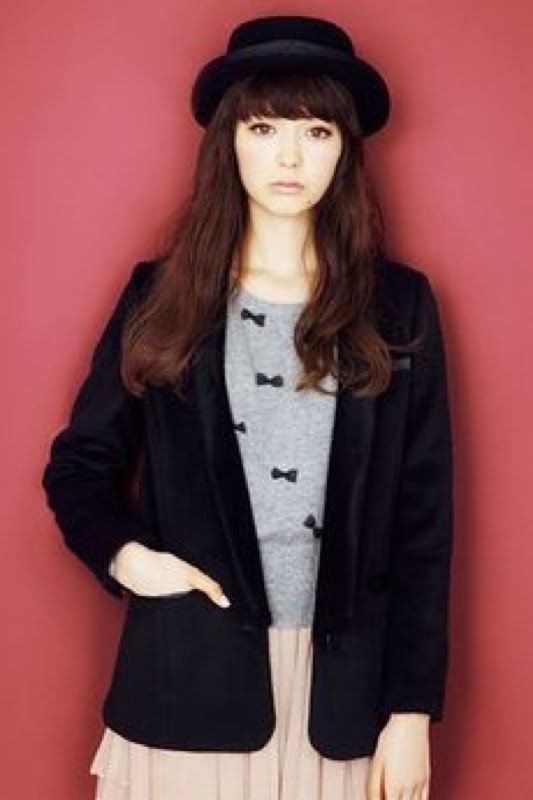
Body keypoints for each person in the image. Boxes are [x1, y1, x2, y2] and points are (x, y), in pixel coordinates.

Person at [42, 14, 454, 800]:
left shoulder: (398, 306)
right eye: (264, 128)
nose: (289, 157)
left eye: (316, 131)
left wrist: (410, 714)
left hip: (344, 702)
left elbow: (422, 525)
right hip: (187, 685)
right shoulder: (161, 298)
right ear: (229, 143)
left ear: (344, 150)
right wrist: (128, 559)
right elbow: (80, 466)